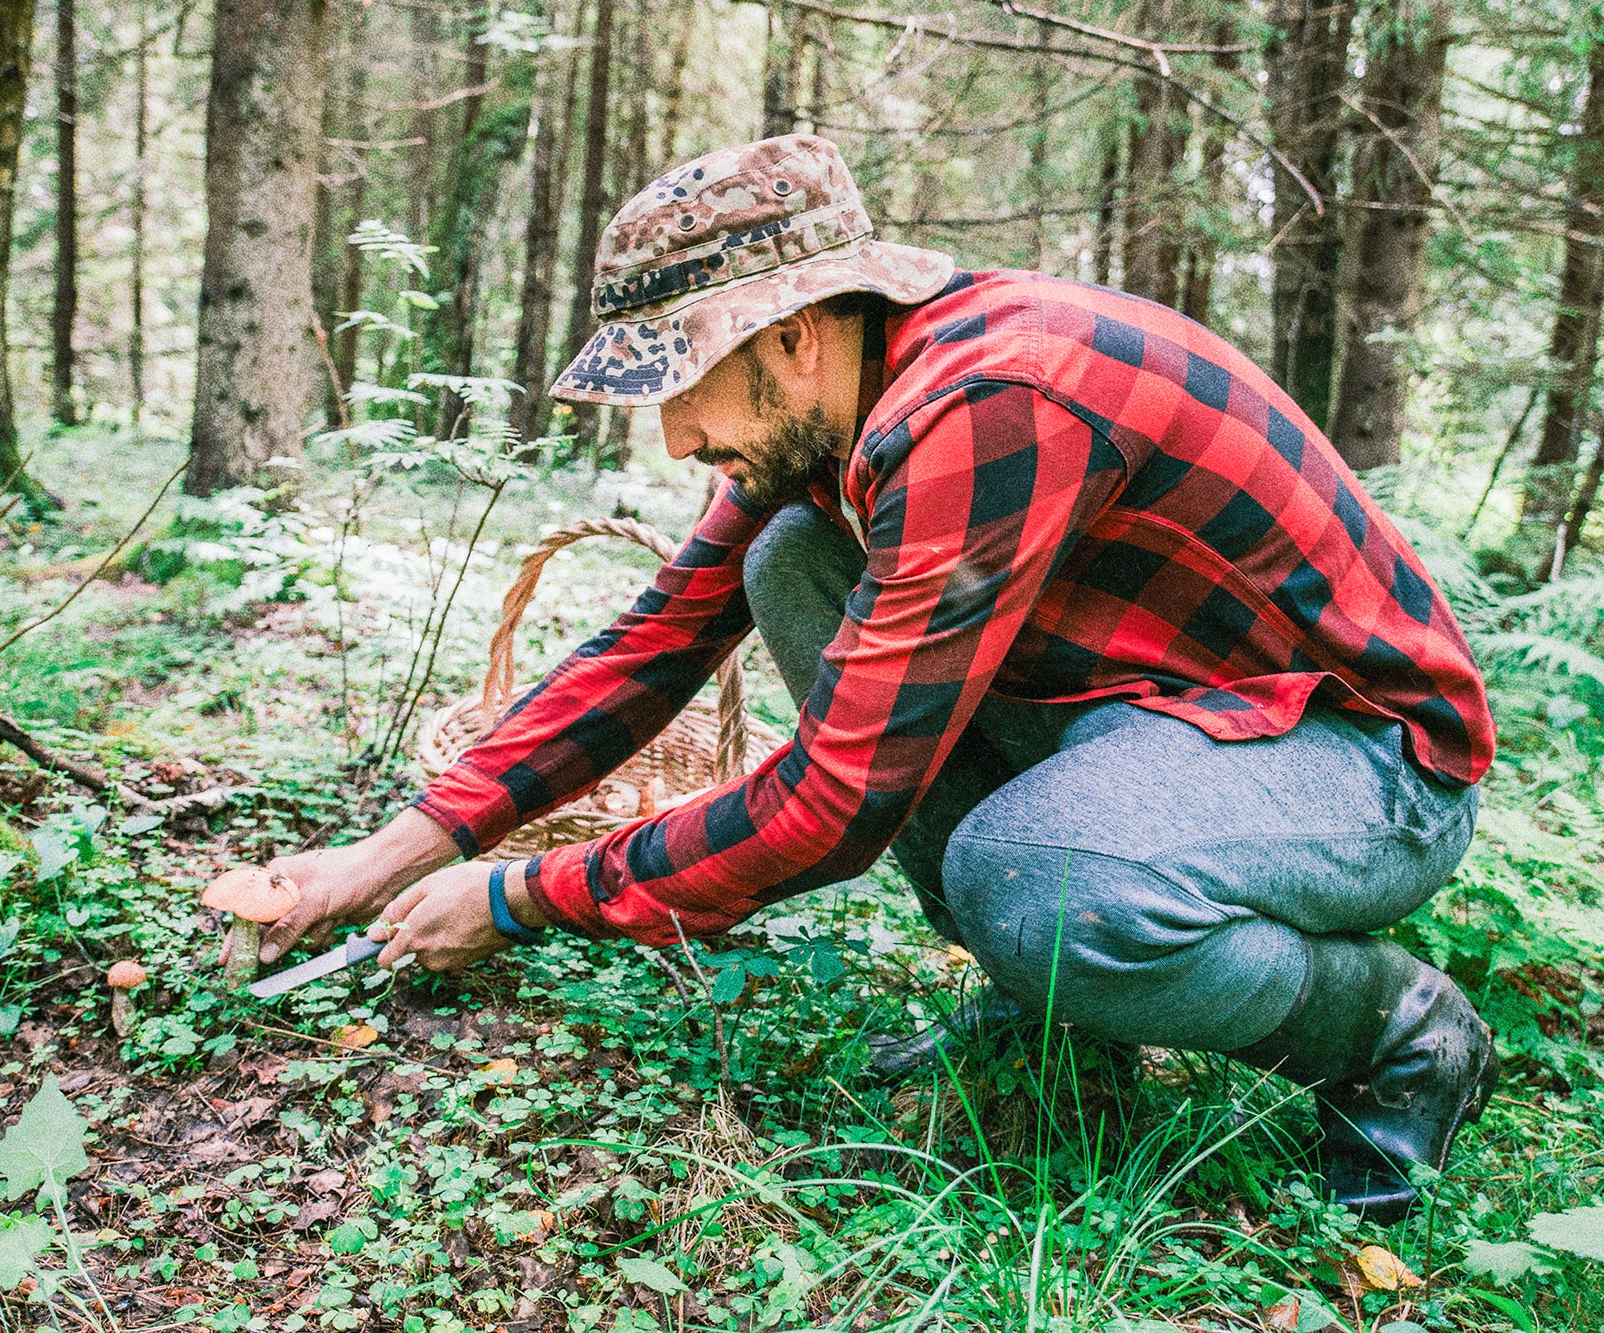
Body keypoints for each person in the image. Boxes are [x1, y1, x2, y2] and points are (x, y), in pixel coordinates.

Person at [206, 135, 1500, 1223]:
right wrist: (388, 854)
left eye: (682, 383)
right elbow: (655, 642)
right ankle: (1055, 1002)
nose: (675, 435)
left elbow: (834, 805)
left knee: (1036, 877)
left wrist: (524, 894)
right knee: (791, 558)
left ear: (795, 338)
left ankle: (1396, 1032)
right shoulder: (840, 414)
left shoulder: (989, 403)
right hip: (1148, 721)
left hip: (1364, 763)